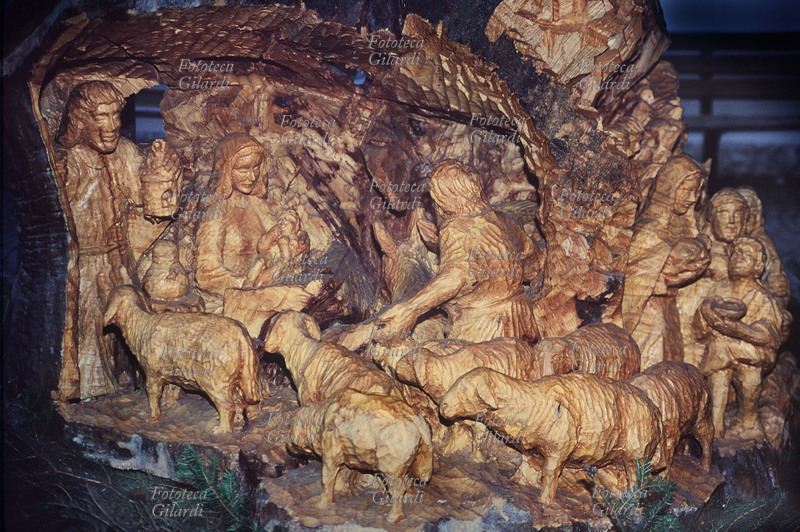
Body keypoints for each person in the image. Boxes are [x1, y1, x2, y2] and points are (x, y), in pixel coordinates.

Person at [55, 80, 180, 400]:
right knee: (91, 327)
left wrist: (160, 171)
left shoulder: (124, 152)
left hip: (120, 259)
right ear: (82, 120)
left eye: (115, 115)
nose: (112, 126)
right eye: (101, 117)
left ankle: (146, 382)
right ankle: (93, 393)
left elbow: (146, 202)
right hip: (85, 263)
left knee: (137, 325)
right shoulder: (68, 163)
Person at [377, 160, 543, 343]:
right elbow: (533, 266)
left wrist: (412, 308)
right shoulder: (505, 221)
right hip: (522, 321)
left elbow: (455, 277)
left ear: (444, 199)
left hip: (484, 328)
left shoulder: (456, 229)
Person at [621, 155, 709, 369]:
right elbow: (638, 277)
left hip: (668, 309)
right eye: (687, 190)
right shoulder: (650, 230)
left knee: (672, 359)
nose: (692, 198)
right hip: (647, 315)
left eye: (696, 191)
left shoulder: (684, 226)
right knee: (652, 361)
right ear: (670, 187)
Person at [694, 236, 785, 439]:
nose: (738, 258)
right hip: (723, 353)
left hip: (755, 354)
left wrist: (735, 329)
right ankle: (715, 425)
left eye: (747, 255)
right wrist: (708, 311)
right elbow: (704, 314)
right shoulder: (721, 288)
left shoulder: (763, 297)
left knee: (749, 376)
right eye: (736, 253)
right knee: (718, 369)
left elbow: (766, 335)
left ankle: (748, 421)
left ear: (758, 265)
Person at [737, 186, 791, 308]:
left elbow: (776, 277)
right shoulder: (722, 243)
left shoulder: (763, 243)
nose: (749, 217)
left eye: (753, 212)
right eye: (744, 212)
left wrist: (777, 284)